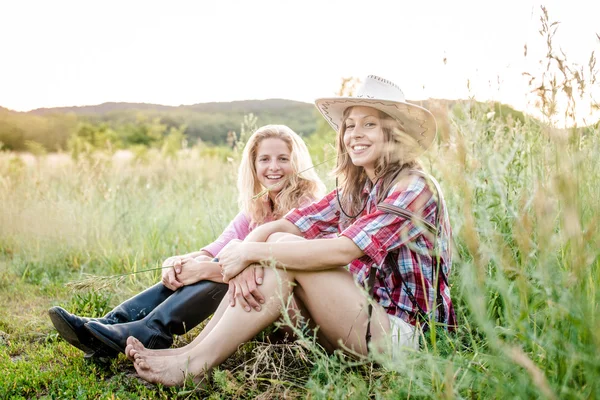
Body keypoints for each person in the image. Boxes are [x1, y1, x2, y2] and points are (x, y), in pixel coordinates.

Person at [126, 75, 456, 387]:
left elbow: (344, 250)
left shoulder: (415, 187)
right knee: (279, 241)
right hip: (361, 322)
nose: (355, 133)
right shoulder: (357, 190)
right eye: (350, 125)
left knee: (283, 251)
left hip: (407, 340)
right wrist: (247, 253)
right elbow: (288, 224)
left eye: (370, 124)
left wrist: (251, 252)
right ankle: (190, 355)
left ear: (394, 133)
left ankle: (194, 364)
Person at [48, 124, 326, 357]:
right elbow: (216, 248)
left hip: (298, 315)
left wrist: (206, 268)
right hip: (259, 305)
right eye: (264, 159)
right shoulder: (258, 206)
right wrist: (180, 261)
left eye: (283, 159)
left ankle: (153, 330)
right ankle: (110, 325)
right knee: (213, 260)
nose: (273, 167)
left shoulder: (307, 205)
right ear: (253, 166)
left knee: (219, 267)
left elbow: (275, 271)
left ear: (297, 163)